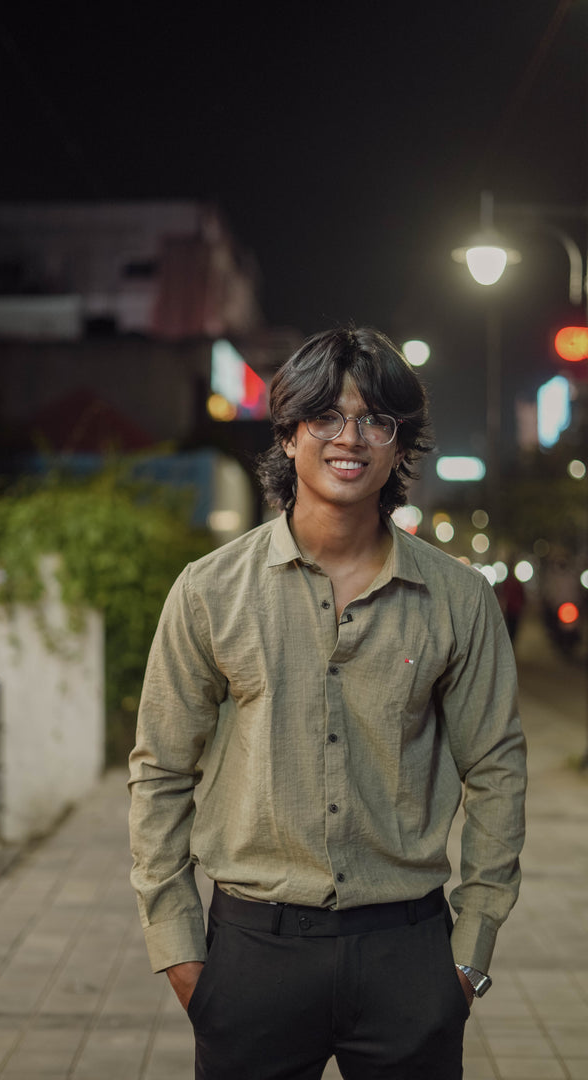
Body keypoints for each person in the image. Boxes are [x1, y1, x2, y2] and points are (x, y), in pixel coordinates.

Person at [129, 325, 527, 1079]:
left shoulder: (457, 599)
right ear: (287, 433)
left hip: (409, 953)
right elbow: (159, 772)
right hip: (253, 950)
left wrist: (469, 956)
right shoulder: (210, 590)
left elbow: (498, 772)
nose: (352, 439)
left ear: (400, 443)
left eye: (377, 420)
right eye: (326, 417)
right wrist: (179, 948)